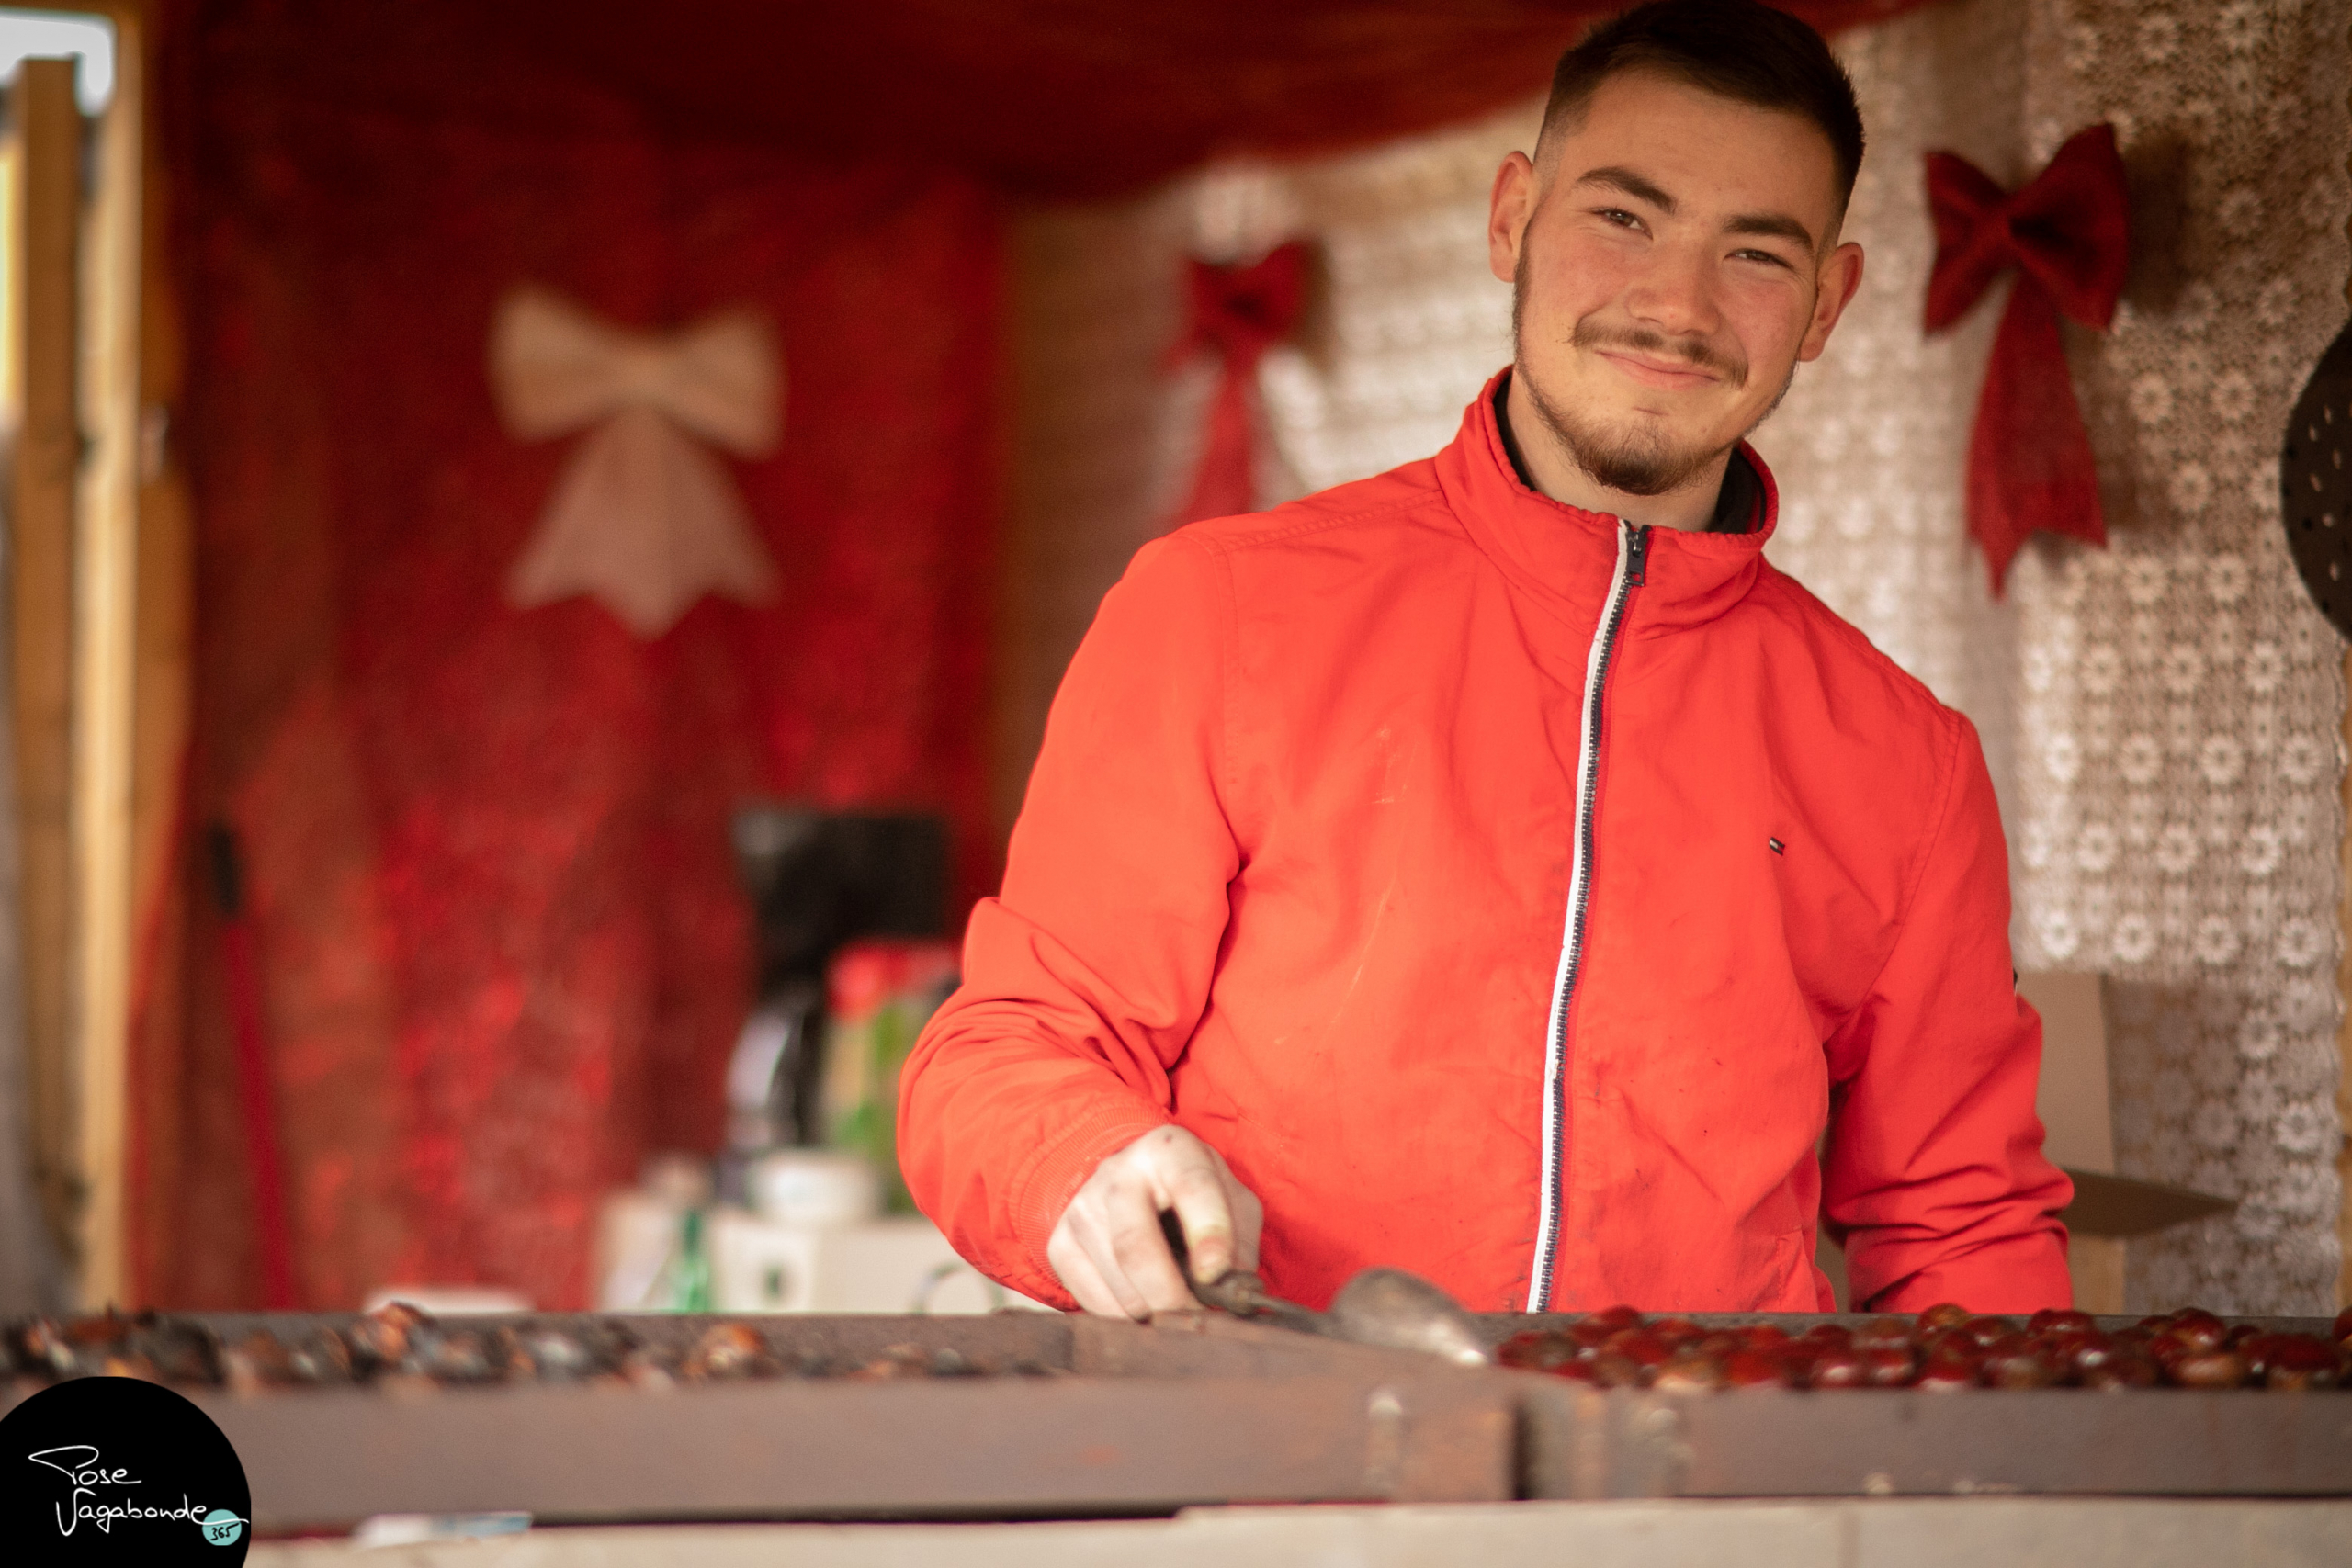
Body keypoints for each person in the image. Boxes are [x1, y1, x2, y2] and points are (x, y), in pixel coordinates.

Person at [899, 0, 2073, 1320]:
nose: (1676, 304)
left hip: (1701, 1452)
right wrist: (1082, 1159)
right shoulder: (1218, 612)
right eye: (1622, 216)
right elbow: (1009, 1053)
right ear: (1514, 217)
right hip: (1274, 1430)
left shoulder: (1909, 764)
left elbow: (1961, 1227)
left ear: (1825, 305)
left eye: (1754, 253)